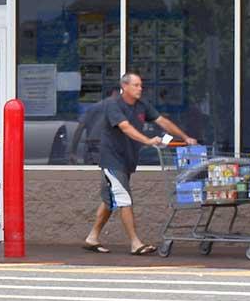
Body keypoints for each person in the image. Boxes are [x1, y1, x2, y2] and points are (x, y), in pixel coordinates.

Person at [83, 72, 197, 255]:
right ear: (125, 87)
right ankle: (135, 243)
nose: (140, 89)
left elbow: (162, 121)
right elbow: (125, 127)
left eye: (141, 85)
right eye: (136, 85)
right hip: (112, 160)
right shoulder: (113, 105)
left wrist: (185, 137)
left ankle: (92, 237)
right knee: (124, 199)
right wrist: (147, 141)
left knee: (110, 200)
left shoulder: (142, 105)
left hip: (127, 160)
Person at [69, 86, 119, 165]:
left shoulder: (92, 108)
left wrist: (73, 151)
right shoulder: (116, 109)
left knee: (91, 174)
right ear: (114, 93)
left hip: (91, 150)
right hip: (107, 148)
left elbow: (79, 129)